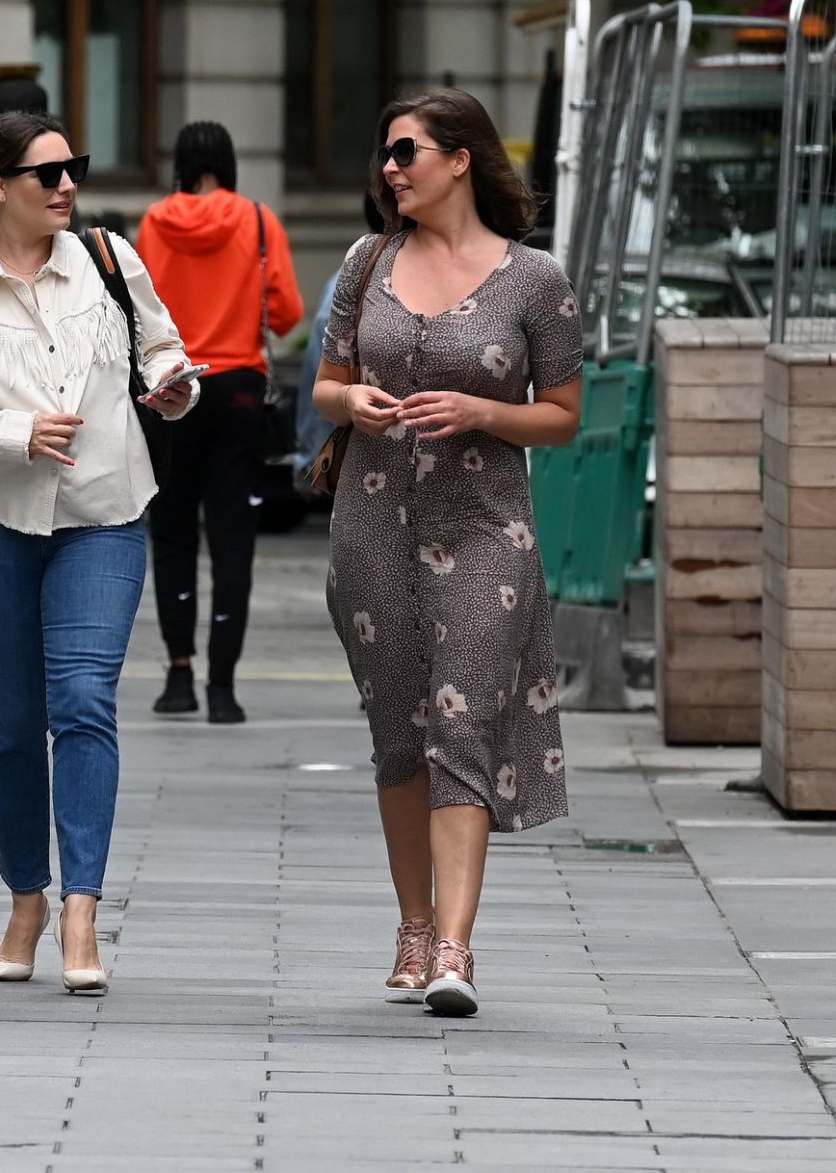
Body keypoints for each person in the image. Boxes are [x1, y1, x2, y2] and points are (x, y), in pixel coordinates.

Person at [0, 112, 197, 992]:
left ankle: (82, 910)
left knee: (83, 699)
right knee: (12, 724)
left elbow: (160, 344)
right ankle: (27, 896)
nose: (67, 187)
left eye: (73, 170)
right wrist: (11, 432)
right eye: (48, 174)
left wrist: (174, 385)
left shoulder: (107, 258)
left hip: (104, 511)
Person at [312, 90, 582, 1017]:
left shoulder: (535, 281)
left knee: (462, 722)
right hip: (373, 522)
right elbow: (327, 384)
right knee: (401, 734)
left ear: (460, 159)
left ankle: (457, 950)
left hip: (487, 529)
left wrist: (479, 412)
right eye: (387, 155)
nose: (391, 169)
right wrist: (354, 406)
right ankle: (413, 928)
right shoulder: (368, 260)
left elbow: (564, 416)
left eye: (406, 152)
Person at [136, 121, 303, 724]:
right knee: (233, 537)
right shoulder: (258, 221)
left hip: (174, 385)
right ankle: (223, 687)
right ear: (228, 162)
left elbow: (140, 305)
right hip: (237, 389)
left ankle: (178, 674)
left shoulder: (155, 222)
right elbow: (286, 314)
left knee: (173, 531)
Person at [293, 192, 385, 487]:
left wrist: (311, 452)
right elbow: (322, 379)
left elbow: (314, 372)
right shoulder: (356, 271)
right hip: (367, 458)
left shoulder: (350, 273)